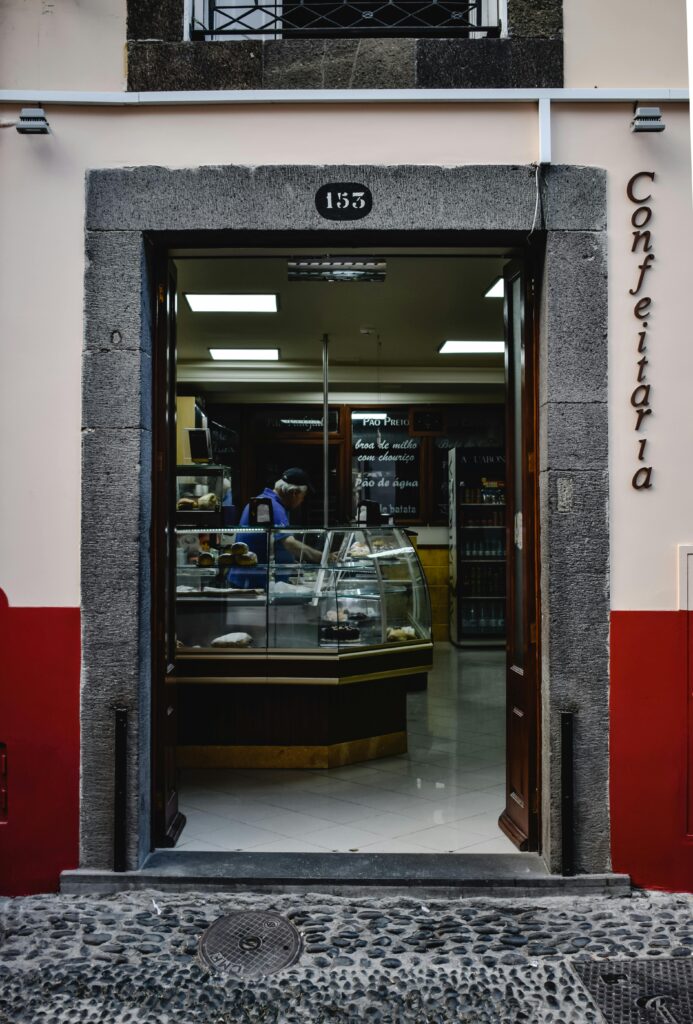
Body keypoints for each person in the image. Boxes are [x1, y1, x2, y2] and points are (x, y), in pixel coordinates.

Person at [227, 468, 326, 588]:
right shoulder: (269, 506)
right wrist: (324, 557)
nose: (302, 500)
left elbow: (270, 542)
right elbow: (289, 544)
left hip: (251, 581)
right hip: (252, 585)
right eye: (303, 496)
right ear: (294, 493)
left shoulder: (265, 502)